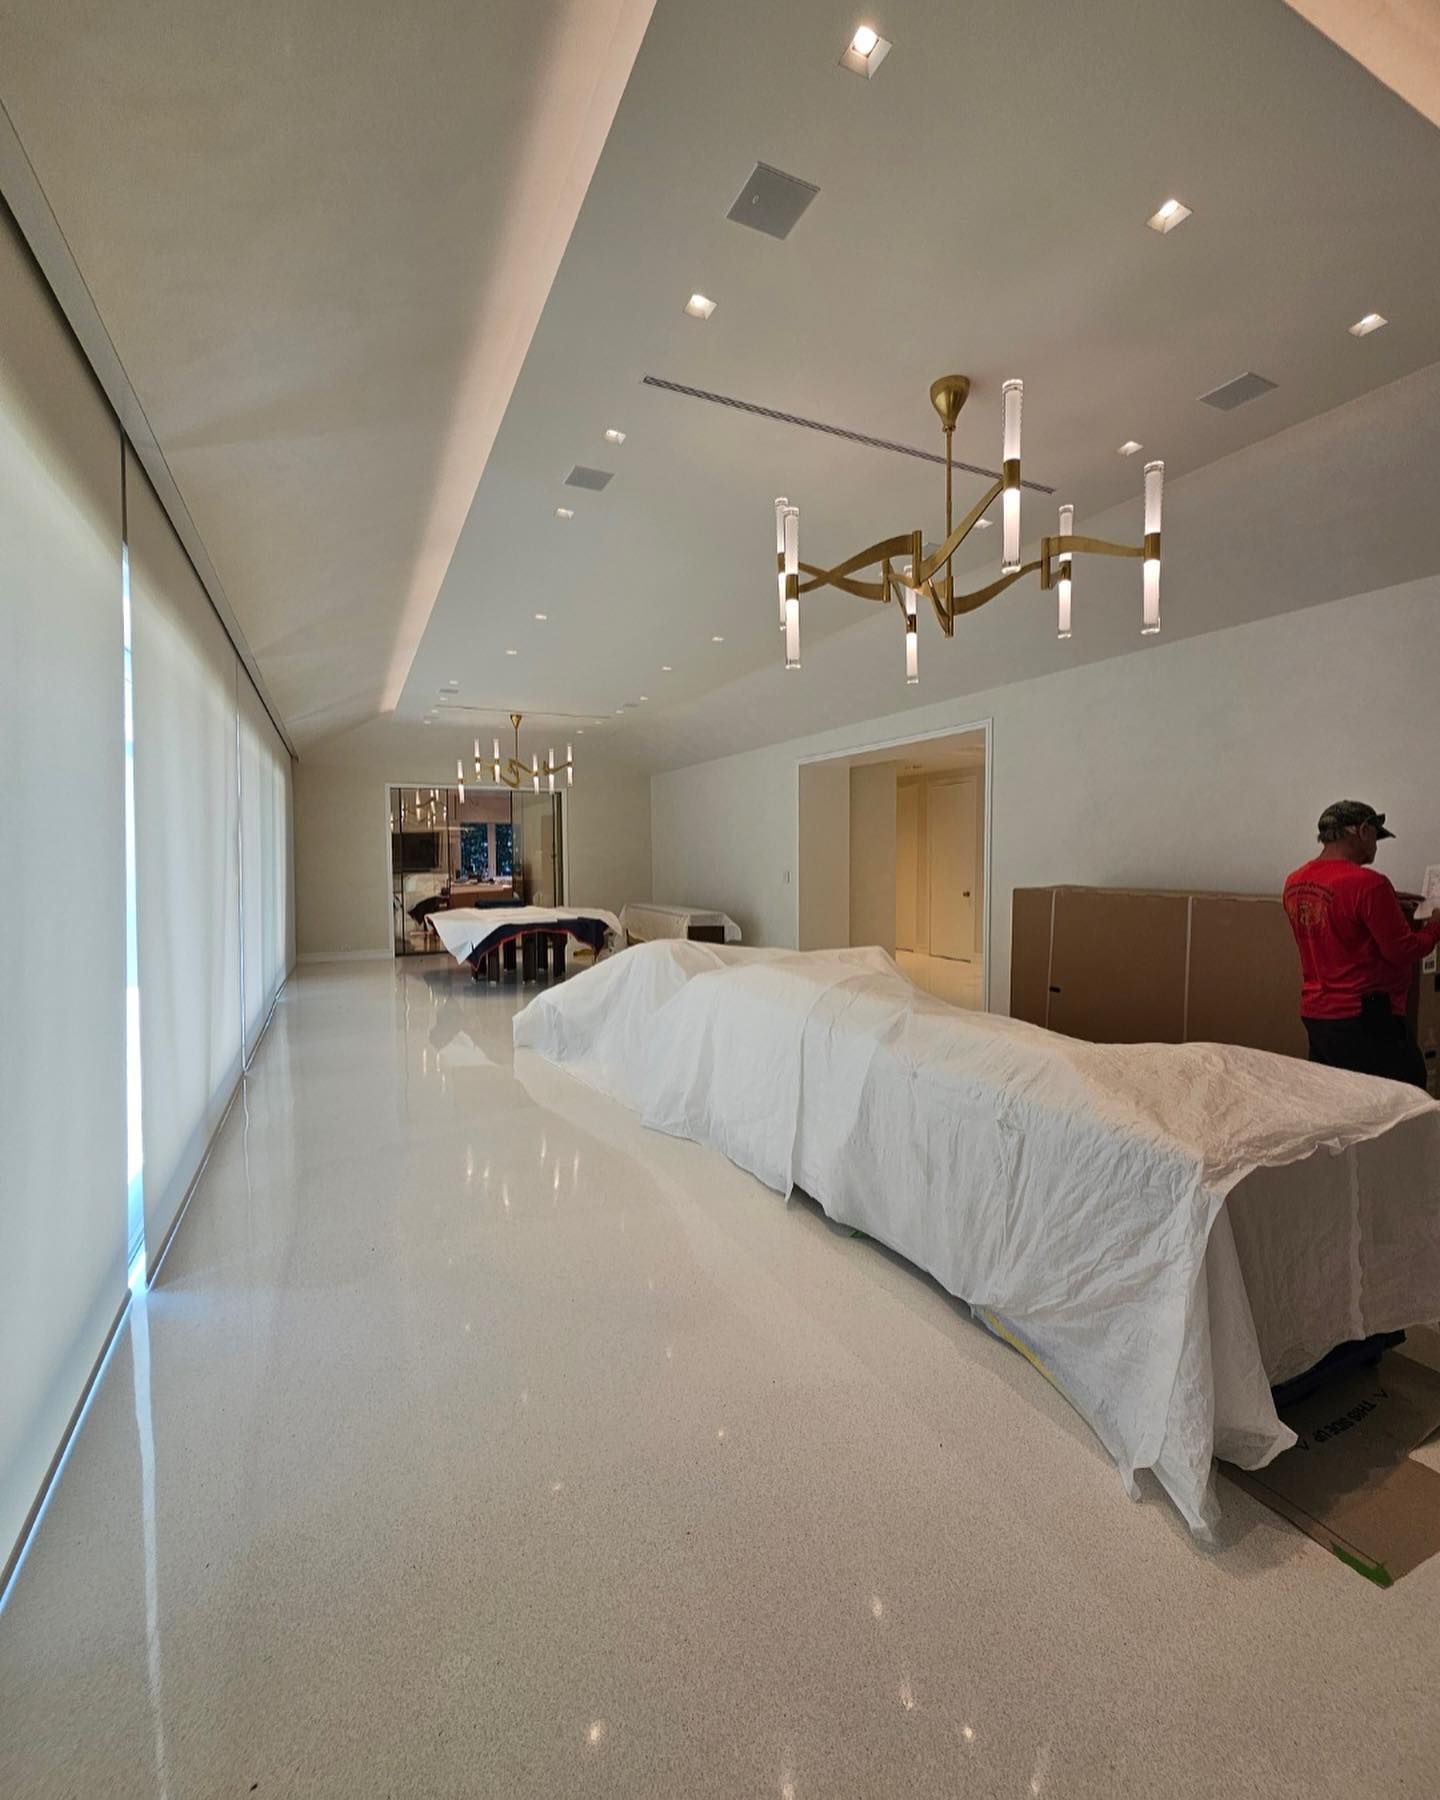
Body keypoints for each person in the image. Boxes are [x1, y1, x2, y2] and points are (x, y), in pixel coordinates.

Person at [1283, 800, 1440, 1088]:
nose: (1376, 847)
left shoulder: (1295, 882)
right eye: (1376, 838)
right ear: (1363, 831)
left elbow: (1340, 925)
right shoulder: (1369, 884)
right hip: (1366, 1016)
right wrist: (1435, 927)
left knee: (1336, 1097)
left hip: (1318, 1015)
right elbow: (1402, 951)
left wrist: (1389, 906)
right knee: (1406, 1092)